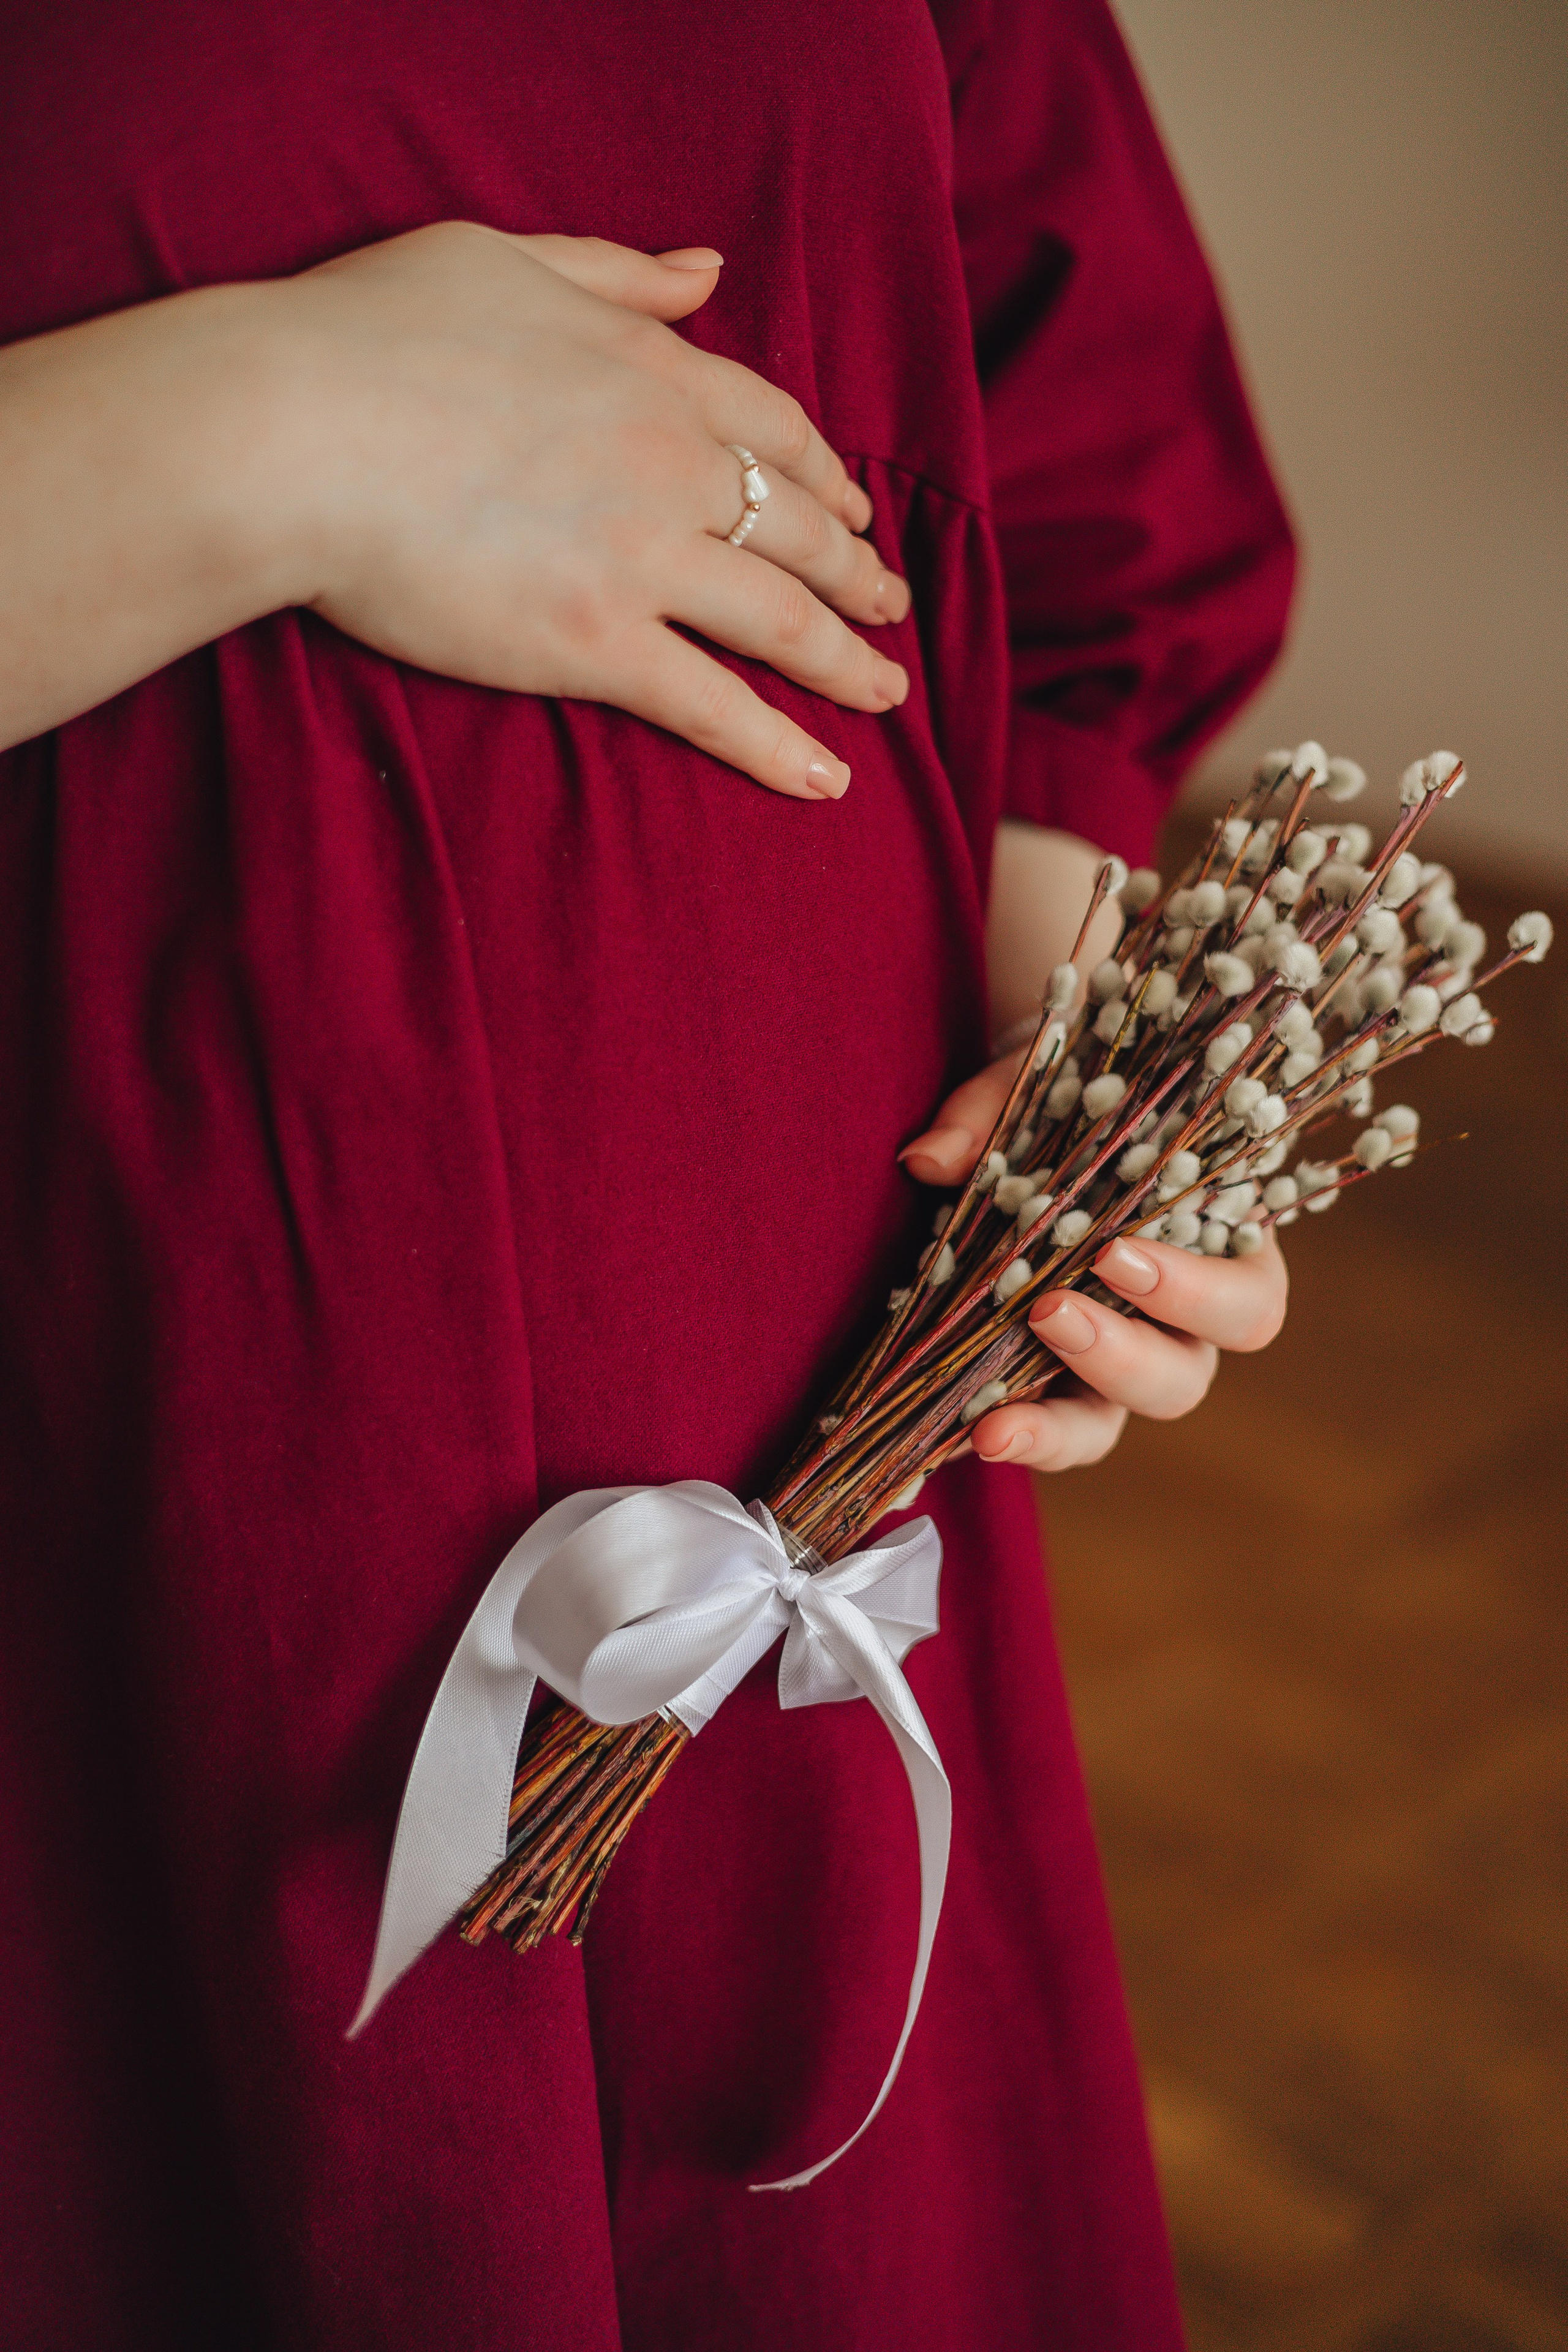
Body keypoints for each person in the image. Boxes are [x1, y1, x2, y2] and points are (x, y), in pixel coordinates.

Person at [0, 0, 1294, 2344]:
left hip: (805, 1443)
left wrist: (1075, 1071)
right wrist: (258, 437)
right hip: (98, 1545)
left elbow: (1065, 407)